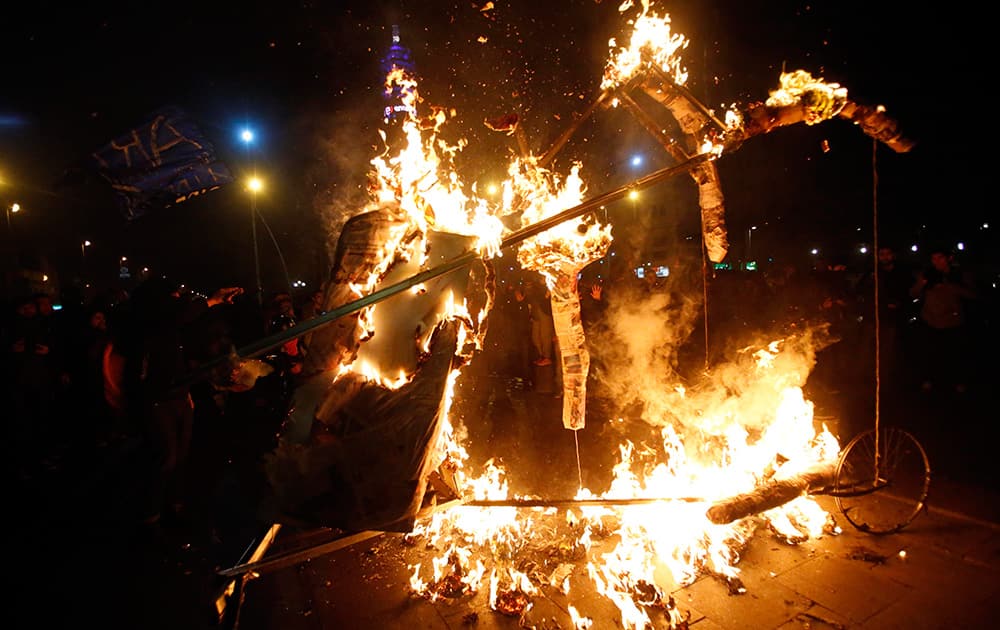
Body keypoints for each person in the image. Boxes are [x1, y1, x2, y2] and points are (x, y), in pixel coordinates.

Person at [121, 278, 244, 528]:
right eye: (173, 296)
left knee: (182, 453)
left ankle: (175, 503)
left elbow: (178, 355)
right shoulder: (147, 323)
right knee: (166, 455)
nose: (178, 299)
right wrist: (211, 300)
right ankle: (151, 512)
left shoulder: (169, 327)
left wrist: (187, 391)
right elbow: (179, 317)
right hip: (156, 400)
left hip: (178, 395)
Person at [909, 247, 976, 393]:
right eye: (933, 258)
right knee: (930, 353)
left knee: (954, 354)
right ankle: (929, 380)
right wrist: (922, 283)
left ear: (949, 258)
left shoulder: (959, 274)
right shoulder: (927, 273)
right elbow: (913, 293)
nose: (936, 262)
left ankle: (958, 381)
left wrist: (949, 286)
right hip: (930, 319)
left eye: (940, 258)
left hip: (953, 321)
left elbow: (972, 294)